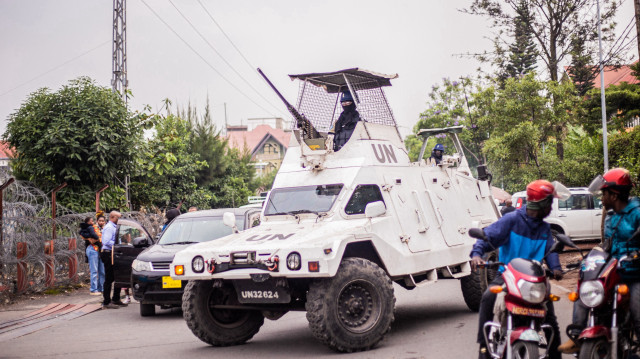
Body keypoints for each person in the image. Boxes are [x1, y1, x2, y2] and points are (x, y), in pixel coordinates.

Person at [470, 180, 564, 359]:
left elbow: (550, 252)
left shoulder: (545, 228)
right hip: (507, 276)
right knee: (488, 297)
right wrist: (477, 254)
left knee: (550, 319)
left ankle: (555, 355)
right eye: (550, 202)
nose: (551, 207)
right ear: (542, 204)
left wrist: (556, 268)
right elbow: (488, 236)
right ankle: (483, 347)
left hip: (535, 281)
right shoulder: (511, 220)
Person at [559, 168, 640, 354]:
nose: (601, 198)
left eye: (603, 193)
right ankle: (577, 336)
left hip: (634, 273)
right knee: (585, 292)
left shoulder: (637, 212)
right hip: (614, 271)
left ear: (614, 194)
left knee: (637, 310)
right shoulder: (610, 217)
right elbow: (607, 244)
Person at [100, 211, 126, 309]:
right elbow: (106, 241)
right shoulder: (109, 228)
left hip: (113, 253)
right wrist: (117, 245)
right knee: (109, 277)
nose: (119, 219)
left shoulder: (115, 227)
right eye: (118, 218)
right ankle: (106, 301)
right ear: (112, 217)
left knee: (117, 276)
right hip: (108, 253)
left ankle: (116, 298)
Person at [79, 217, 103, 295]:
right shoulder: (90, 228)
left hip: (100, 250)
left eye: (103, 221)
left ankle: (101, 288)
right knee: (94, 270)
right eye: (100, 220)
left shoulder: (104, 228)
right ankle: (93, 289)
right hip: (93, 249)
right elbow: (82, 233)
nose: (101, 222)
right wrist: (93, 237)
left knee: (102, 270)